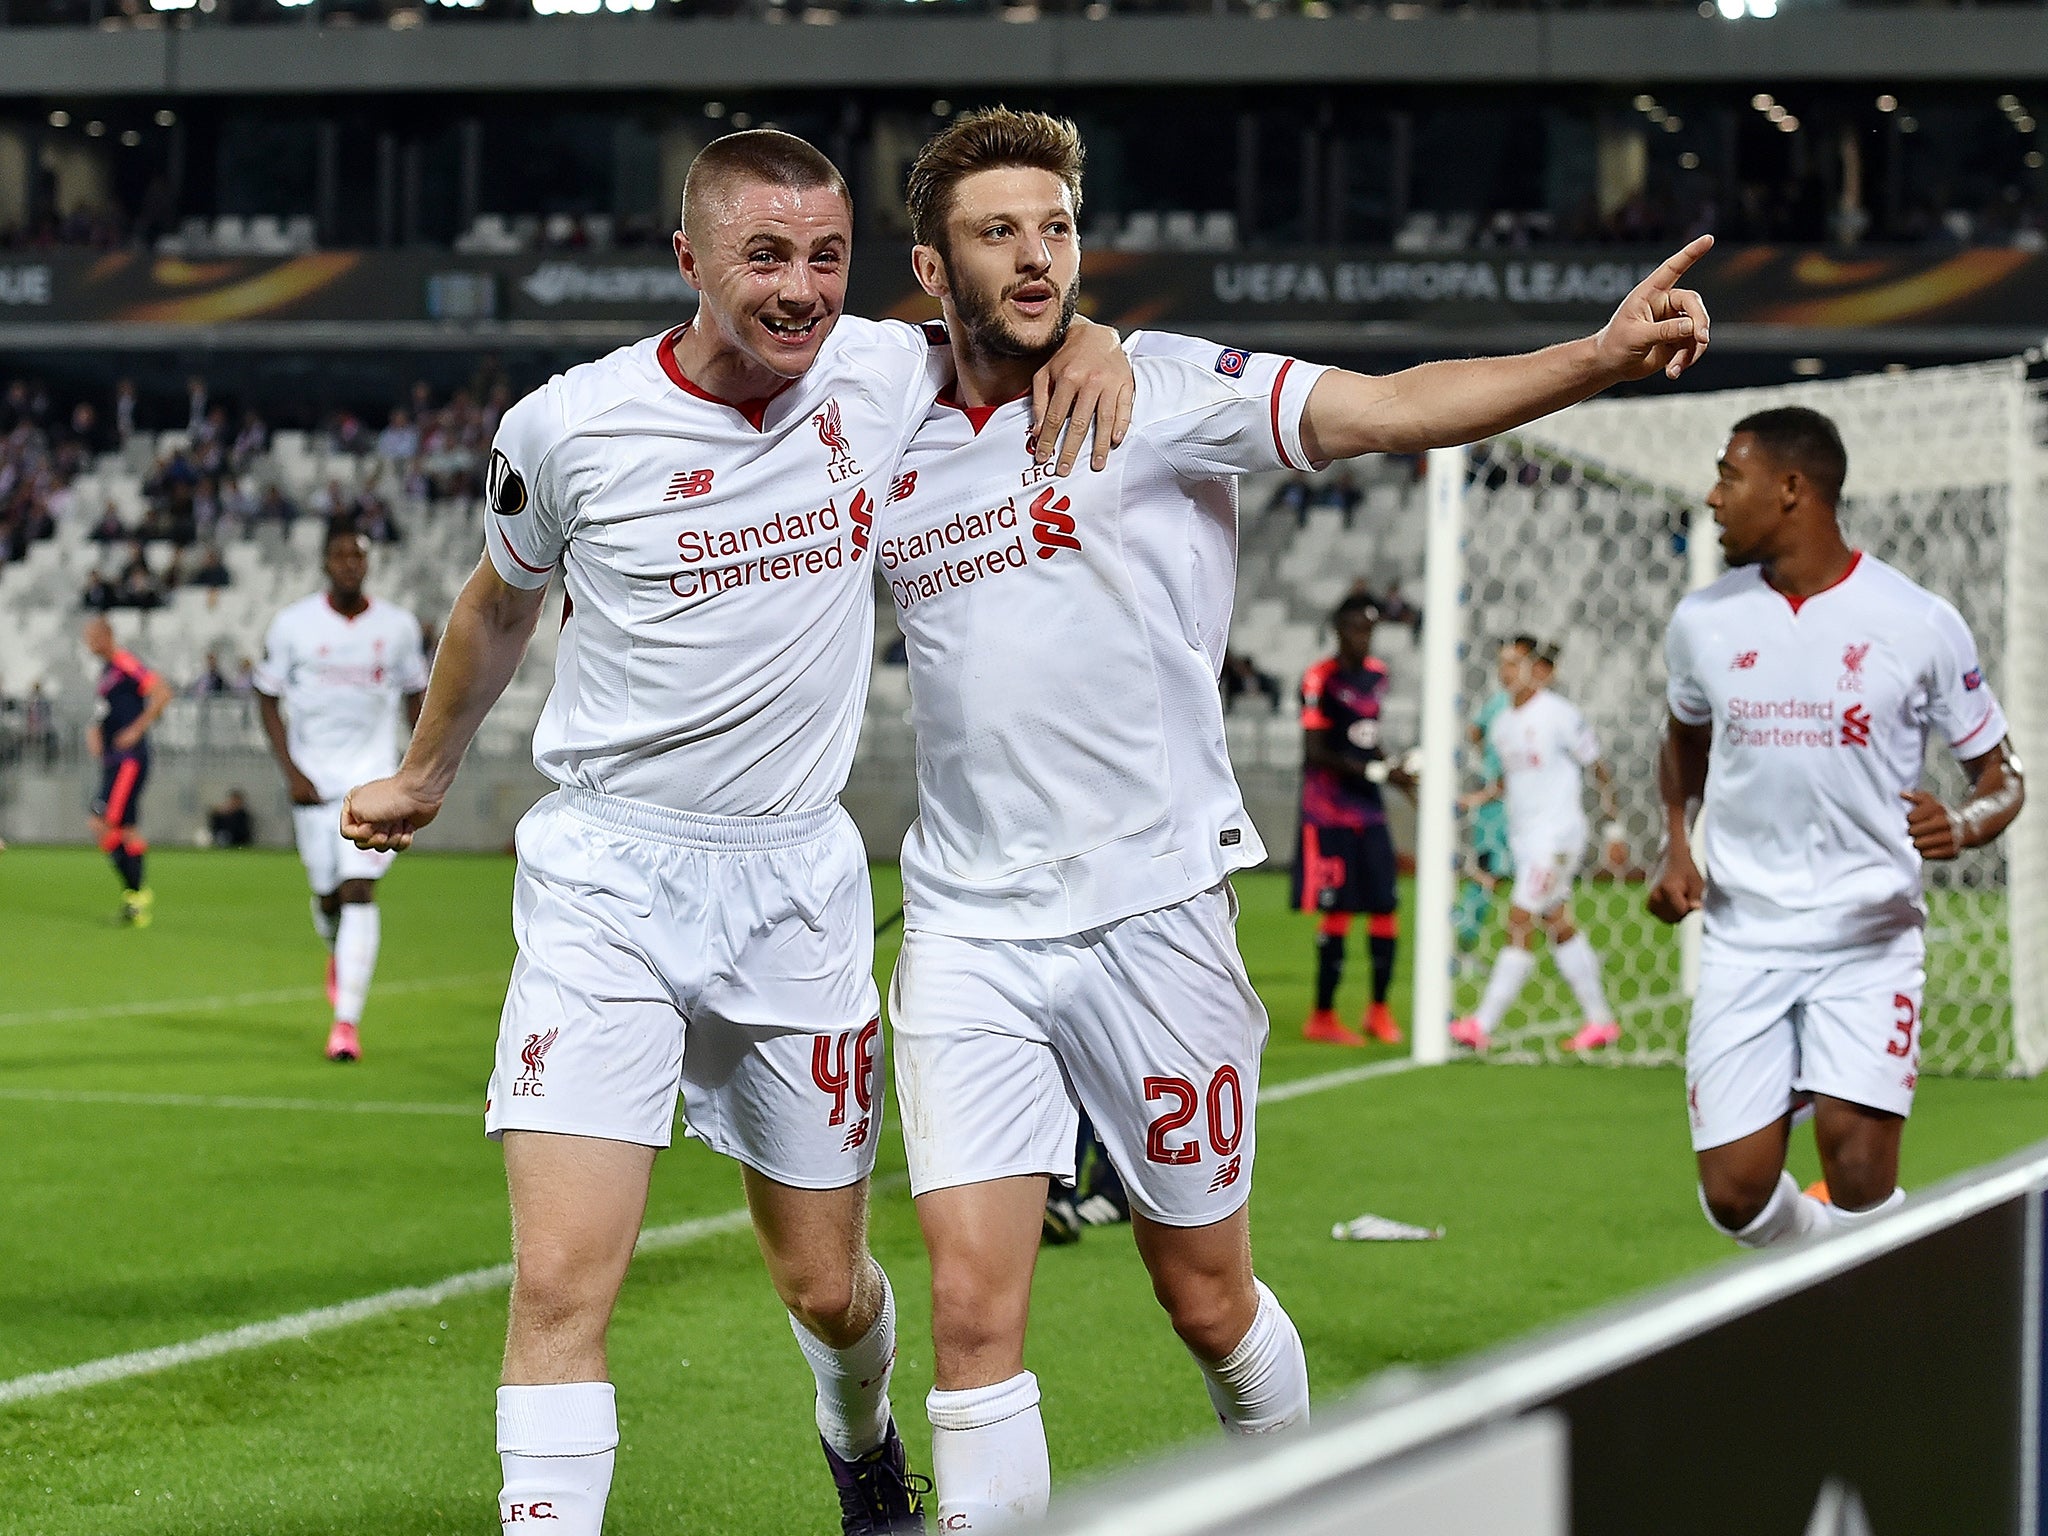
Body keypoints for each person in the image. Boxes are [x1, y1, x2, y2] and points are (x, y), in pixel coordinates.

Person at [875, 106, 1711, 1531]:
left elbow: (1385, 407)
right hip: (965, 929)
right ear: (930, 269)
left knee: (1203, 1298)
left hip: (1153, 919)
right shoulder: (877, 414)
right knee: (970, 1309)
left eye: (1057, 228)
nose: (1035, 258)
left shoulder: (1163, 389)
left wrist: (1591, 359)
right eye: (996, 232)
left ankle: (1307, 1503)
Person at [339, 129, 1132, 1536]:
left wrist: (1105, 339)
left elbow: (1029, 314)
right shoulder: (567, 428)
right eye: (765, 255)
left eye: (826, 257)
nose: (801, 290)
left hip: (795, 892)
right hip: (607, 883)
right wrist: (425, 767)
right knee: (563, 1284)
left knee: (828, 1289)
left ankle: (861, 1440)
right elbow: (500, 602)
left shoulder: (882, 376)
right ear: (689, 259)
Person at [1649, 407, 2023, 1247]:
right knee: (1735, 1197)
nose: (1712, 498)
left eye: (1728, 476)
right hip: (1745, 936)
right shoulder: (1703, 621)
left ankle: (1874, 1323)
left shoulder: (1917, 620)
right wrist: (1677, 842)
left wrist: (1962, 825)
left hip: (1869, 937)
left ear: (1791, 489)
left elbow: (2003, 776)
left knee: (1857, 1174)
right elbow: (1682, 738)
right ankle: (1843, 1269)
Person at [255, 527, 428, 1063]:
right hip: (313, 788)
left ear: (369, 563)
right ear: (326, 562)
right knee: (329, 897)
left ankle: (345, 1025)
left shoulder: (397, 628)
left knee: (358, 890)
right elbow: (265, 697)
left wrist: (414, 774)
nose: (350, 563)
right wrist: (292, 773)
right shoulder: (293, 626)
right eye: (340, 555)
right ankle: (339, 951)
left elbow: (415, 696)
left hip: (371, 781)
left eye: (359, 554)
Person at [1452, 637, 1625, 1052]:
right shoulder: (1501, 725)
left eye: (1515, 663)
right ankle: (1600, 1021)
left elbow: (1597, 767)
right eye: (1502, 664)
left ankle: (1481, 1024)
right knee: (1558, 923)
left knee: (1519, 918)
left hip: (1558, 835)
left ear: (1538, 669)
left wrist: (1614, 828)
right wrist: (1474, 799)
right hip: (1525, 837)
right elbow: (1508, 782)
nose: (1506, 672)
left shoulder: (1559, 715)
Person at [1295, 593, 1411, 1046]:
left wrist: (1394, 770)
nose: (1364, 637)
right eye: (1356, 628)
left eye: (1370, 629)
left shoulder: (1378, 676)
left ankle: (1378, 1010)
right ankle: (1322, 1015)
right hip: (1329, 813)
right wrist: (1375, 770)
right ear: (1338, 629)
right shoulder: (1318, 678)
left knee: (1385, 908)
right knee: (1338, 910)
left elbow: (1369, 742)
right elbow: (1315, 752)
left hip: (1369, 809)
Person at [82, 616, 172, 926]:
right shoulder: (106, 671)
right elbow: (107, 712)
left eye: (92, 636)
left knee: (102, 823)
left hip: (128, 760)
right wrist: (95, 731)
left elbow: (162, 692)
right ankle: (134, 900)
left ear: (107, 635)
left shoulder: (124, 663)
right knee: (125, 829)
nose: (88, 643)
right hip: (114, 761)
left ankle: (136, 893)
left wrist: (136, 729)